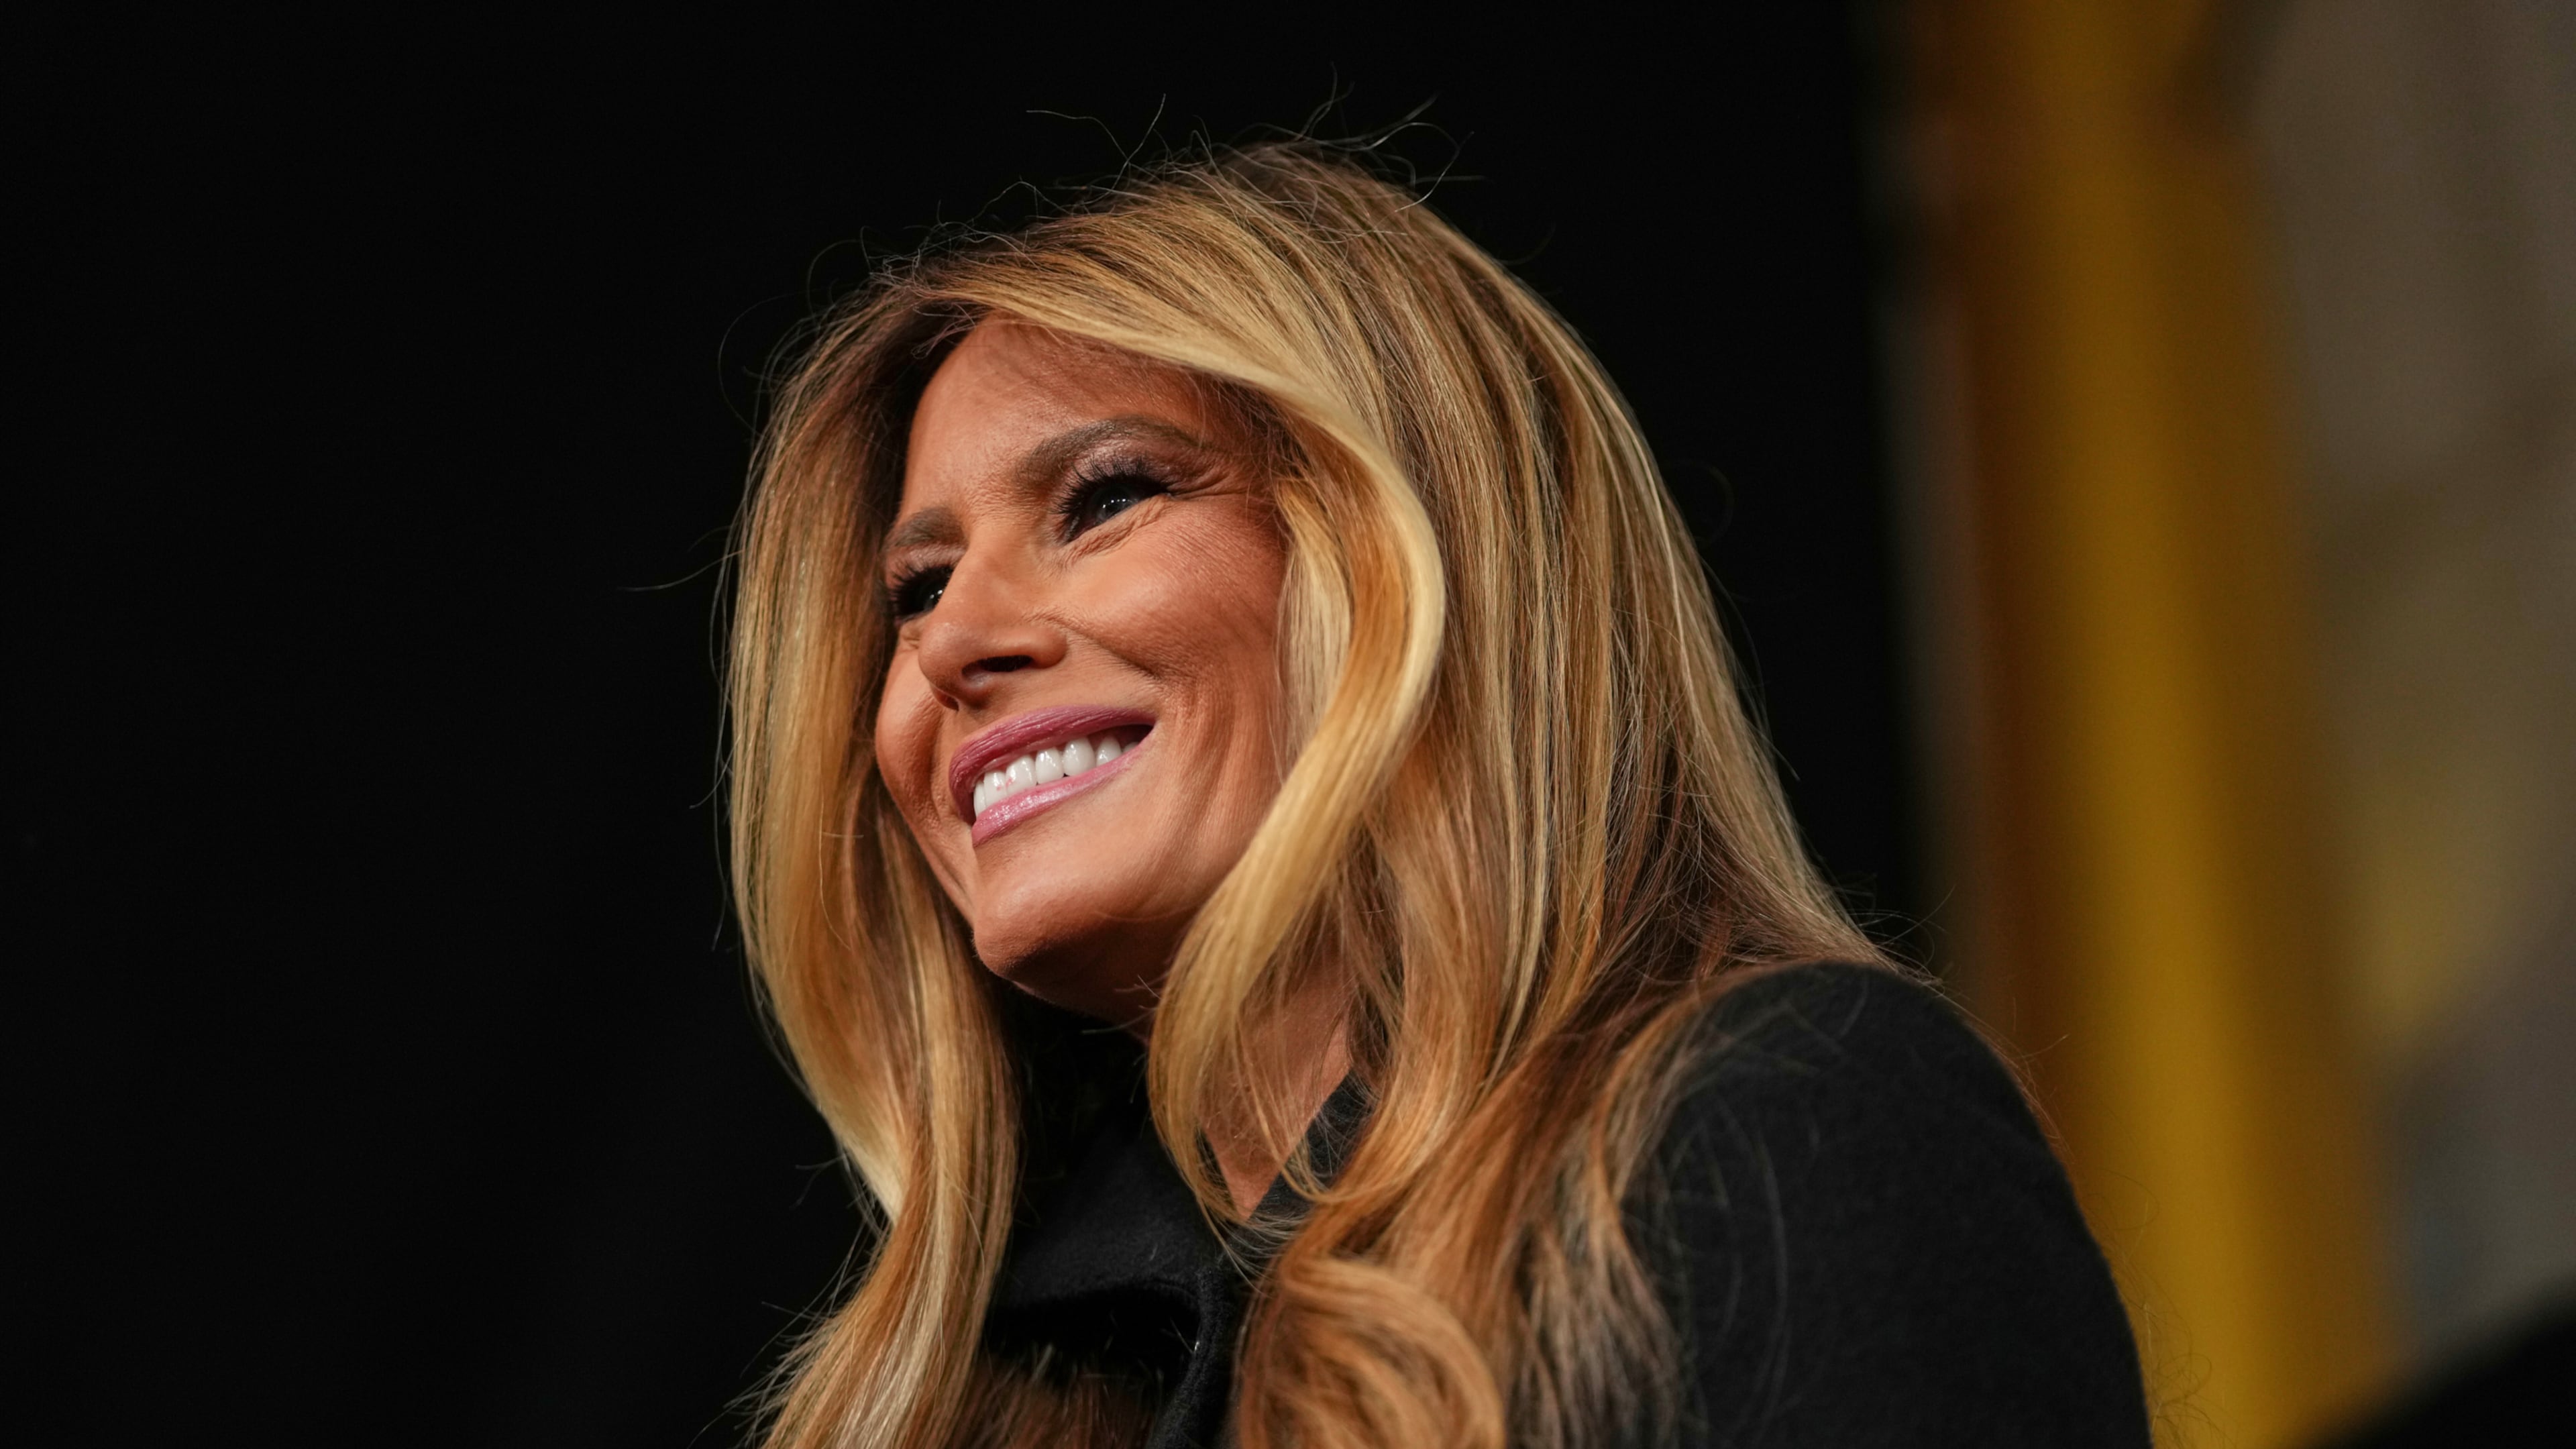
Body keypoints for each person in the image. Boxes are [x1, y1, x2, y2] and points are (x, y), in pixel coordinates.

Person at [725, 143, 2150, 1449]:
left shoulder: (1783, 1142)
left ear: (1430, 547)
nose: (950, 645)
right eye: (913, 591)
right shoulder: (985, 1400)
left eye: (1103, 498)